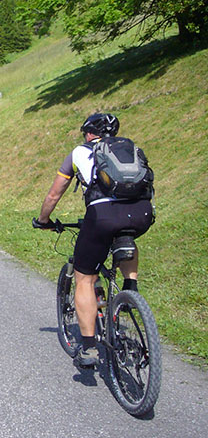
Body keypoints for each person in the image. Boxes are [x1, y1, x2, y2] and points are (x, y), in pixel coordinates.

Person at [33, 113, 154, 368]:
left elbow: (55, 194)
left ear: (89, 133)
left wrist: (44, 219)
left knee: (84, 278)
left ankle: (89, 347)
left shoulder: (79, 153)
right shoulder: (130, 148)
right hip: (142, 213)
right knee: (126, 235)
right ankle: (130, 292)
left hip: (102, 216)